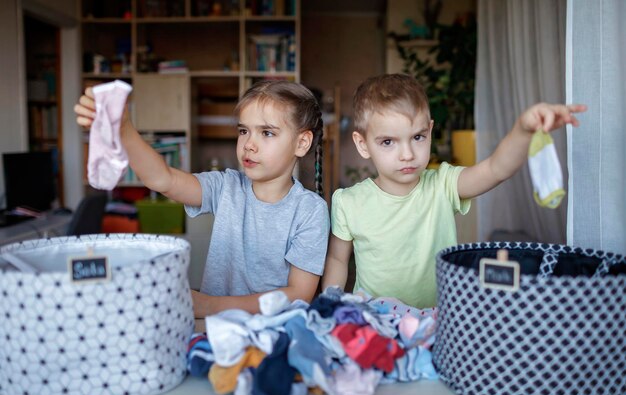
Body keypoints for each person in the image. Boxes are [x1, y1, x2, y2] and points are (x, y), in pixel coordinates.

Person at [322, 73, 586, 309]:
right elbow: (336, 259)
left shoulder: (444, 185)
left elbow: (496, 169)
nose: (407, 154)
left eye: (418, 137)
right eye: (388, 142)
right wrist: (331, 304)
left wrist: (523, 130)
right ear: (363, 144)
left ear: (430, 131)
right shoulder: (349, 202)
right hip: (377, 321)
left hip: (441, 322)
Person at [75, 80, 330, 315]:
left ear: (302, 142)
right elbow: (164, 179)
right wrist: (123, 129)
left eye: (267, 133)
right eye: (243, 131)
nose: (249, 144)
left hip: (271, 330)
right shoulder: (225, 185)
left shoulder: (310, 211)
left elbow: (299, 295)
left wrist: (208, 304)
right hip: (212, 325)